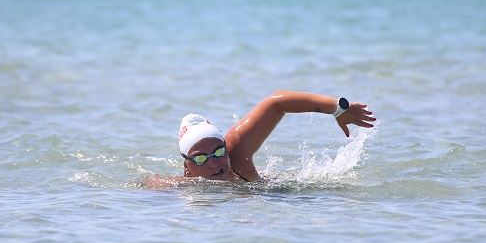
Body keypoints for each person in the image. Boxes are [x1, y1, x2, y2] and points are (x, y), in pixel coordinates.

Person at [145, 90, 375, 187]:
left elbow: (276, 102)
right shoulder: (184, 187)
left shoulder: (235, 156)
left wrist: (337, 109)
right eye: (201, 159)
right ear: (187, 169)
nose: (215, 162)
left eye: (218, 152)